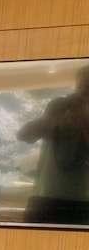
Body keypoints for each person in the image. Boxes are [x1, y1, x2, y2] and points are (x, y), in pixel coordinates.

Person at [17, 63, 89, 222]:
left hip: (83, 201)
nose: (84, 89)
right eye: (82, 84)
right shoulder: (58, 107)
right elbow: (24, 135)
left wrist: (83, 119)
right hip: (44, 196)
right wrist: (52, 116)